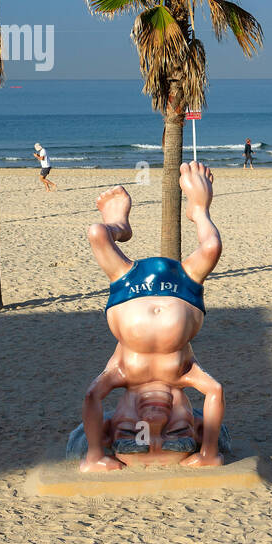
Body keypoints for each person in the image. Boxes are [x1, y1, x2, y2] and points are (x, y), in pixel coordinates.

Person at [77, 162, 225, 472]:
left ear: (108, 428)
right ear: (196, 427)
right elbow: (215, 391)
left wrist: (94, 455)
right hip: (183, 288)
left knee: (97, 233)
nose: (152, 422)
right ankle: (198, 209)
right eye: (176, 435)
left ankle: (118, 224)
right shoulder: (184, 372)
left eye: (133, 433)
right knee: (211, 247)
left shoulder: (122, 373)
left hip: (127, 286)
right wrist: (209, 452)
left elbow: (92, 396)